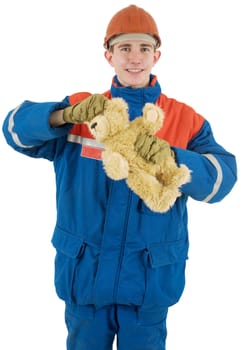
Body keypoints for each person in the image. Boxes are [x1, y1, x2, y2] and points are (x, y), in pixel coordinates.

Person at [2, 4, 237, 350]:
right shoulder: (85, 110)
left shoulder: (185, 120)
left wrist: (172, 157)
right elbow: (14, 131)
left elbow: (222, 180)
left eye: (144, 49)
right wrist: (61, 115)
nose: (135, 58)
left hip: (147, 285)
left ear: (157, 55)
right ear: (108, 55)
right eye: (124, 48)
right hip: (85, 279)